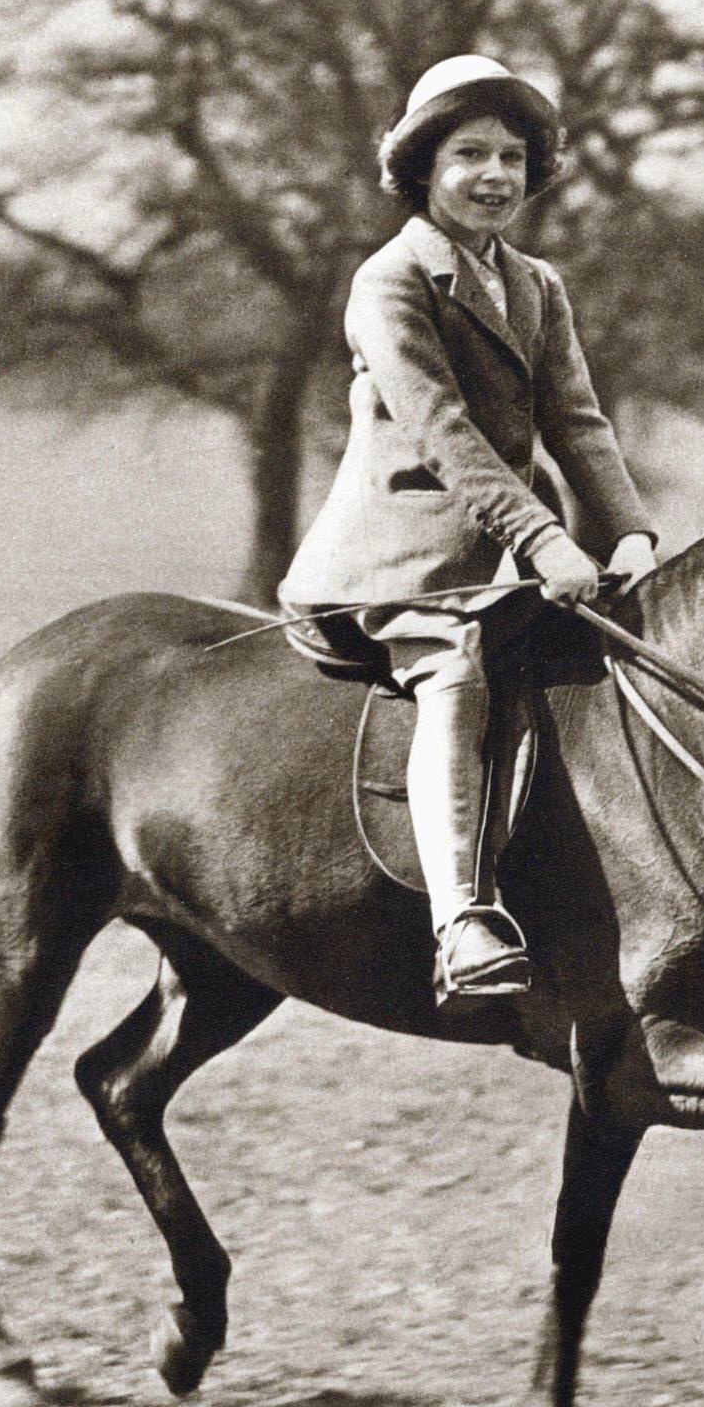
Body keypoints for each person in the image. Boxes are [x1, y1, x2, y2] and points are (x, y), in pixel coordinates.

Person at [279, 54, 657, 1004]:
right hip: (398, 561)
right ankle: (462, 920)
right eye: (469, 154)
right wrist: (546, 541)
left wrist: (629, 535)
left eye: (513, 158)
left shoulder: (536, 284)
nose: (494, 176)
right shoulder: (389, 278)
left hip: (517, 554)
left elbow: (577, 421)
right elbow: (443, 432)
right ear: (422, 168)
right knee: (454, 672)